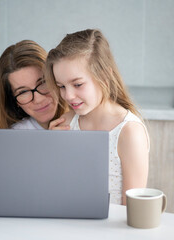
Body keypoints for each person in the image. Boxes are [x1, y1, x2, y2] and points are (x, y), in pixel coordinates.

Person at [45, 29, 150, 205]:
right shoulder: (67, 122)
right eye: (61, 86)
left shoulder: (129, 132)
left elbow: (132, 210)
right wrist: (51, 147)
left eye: (77, 84)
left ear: (105, 75)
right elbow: (55, 190)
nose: (68, 95)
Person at [0, 40, 66, 129]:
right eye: (23, 92)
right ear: (13, 101)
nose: (38, 99)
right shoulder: (16, 135)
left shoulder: (81, 117)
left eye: (42, 82)